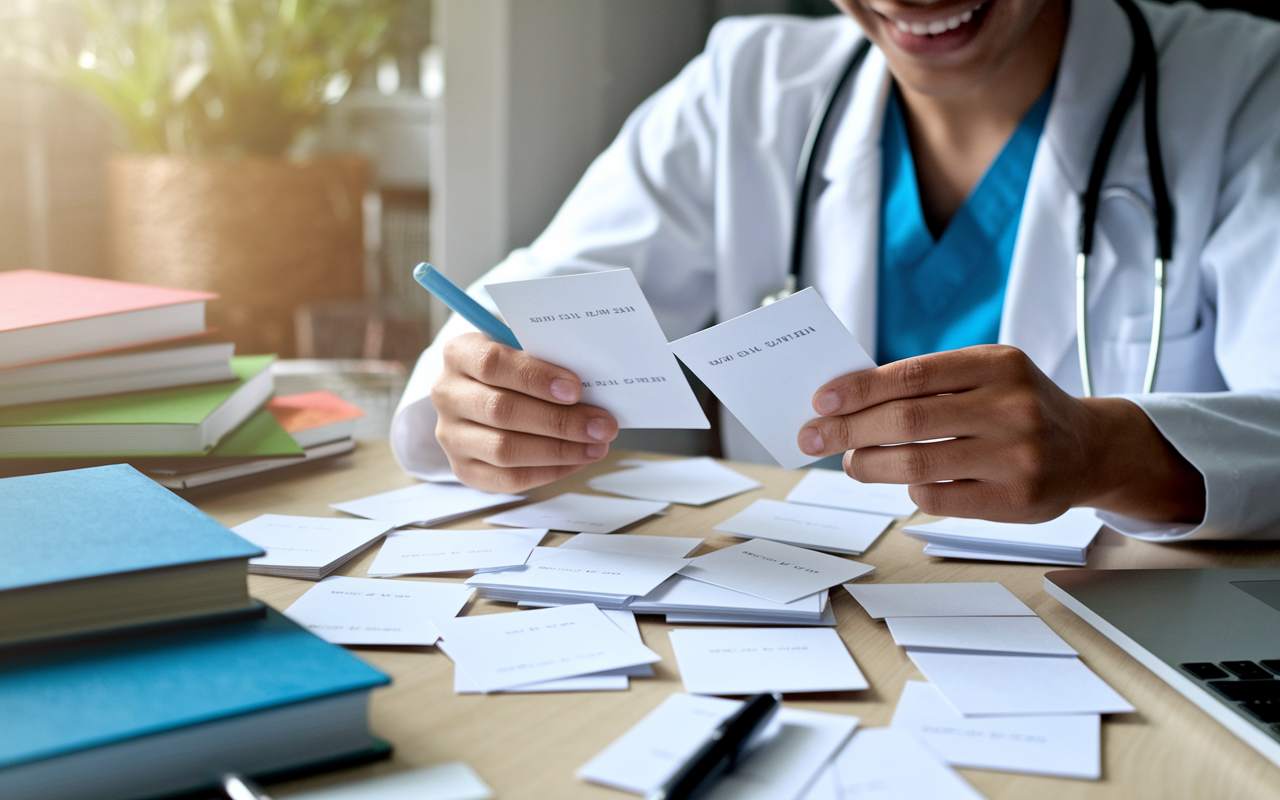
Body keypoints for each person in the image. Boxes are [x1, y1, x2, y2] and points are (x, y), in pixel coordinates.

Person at [391, 0, 1280, 542]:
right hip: (794, 637)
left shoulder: (1244, 87)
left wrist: (1104, 450)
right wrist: (483, 396)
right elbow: (525, 310)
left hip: (1112, 643)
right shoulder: (748, 85)